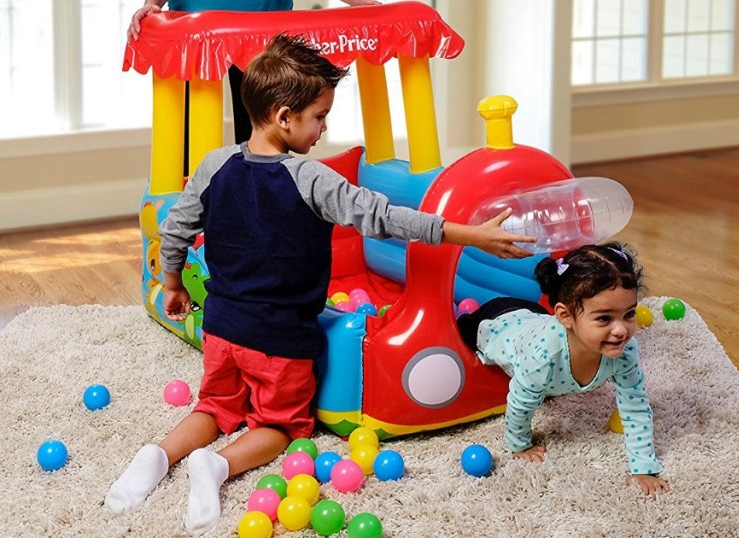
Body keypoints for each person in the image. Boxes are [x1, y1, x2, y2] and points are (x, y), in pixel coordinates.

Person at [104, 33, 535, 534]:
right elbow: (387, 218)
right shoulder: (311, 179)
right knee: (282, 426)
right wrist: (470, 234)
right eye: (319, 116)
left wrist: (174, 281)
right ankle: (218, 465)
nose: (324, 128)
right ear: (284, 117)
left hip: (222, 328)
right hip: (281, 339)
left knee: (215, 407)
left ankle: (159, 453)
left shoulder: (214, 164)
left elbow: (176, 227)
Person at [456, 242, 672, 498]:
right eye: (605, 318)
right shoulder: (543, 357)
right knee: (462, 328)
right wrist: (520, 445)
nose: (621, 329)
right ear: (565, 316)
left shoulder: (625, 351)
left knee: (535, 316)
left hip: (534, 314)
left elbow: (635, 404)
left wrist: (643, 468)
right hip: (496, 321)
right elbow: (520, 402)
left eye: (629, 314)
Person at [127, 0, 381, 144]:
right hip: (193, 23)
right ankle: (189, 218)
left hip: (262, 22)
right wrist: (152, 4)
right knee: (190, 133)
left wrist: (361, 3)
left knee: (262, 125)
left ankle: (261, 205)